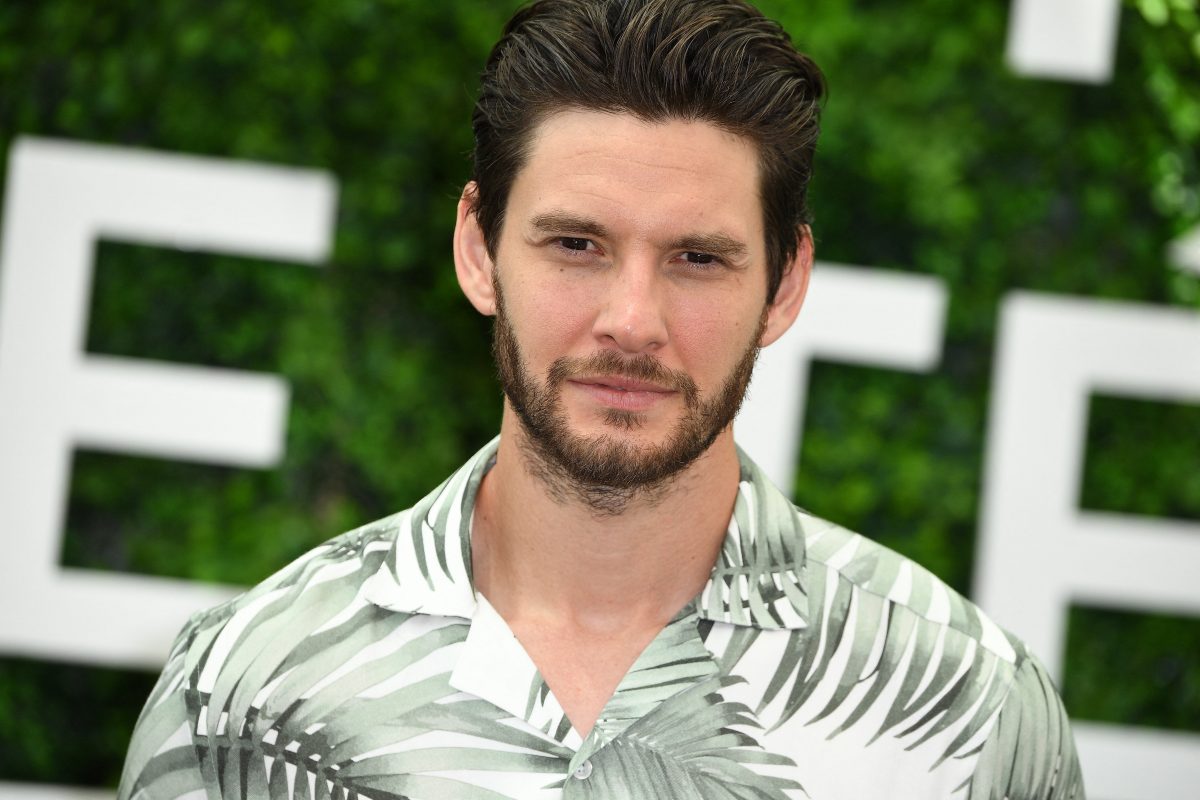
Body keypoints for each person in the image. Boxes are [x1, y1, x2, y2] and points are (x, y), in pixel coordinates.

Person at [118, 1, 1084, 798]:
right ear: (477, 248)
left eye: (698, 259)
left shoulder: (971, 708)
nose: (632, 320)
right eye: (576, 244)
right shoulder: (243, 689)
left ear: (784, 285)